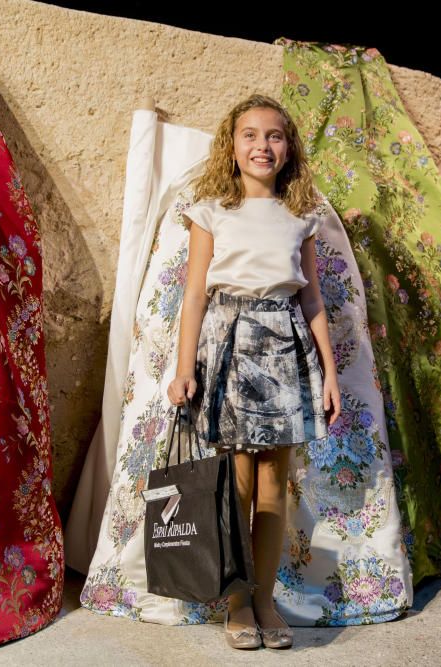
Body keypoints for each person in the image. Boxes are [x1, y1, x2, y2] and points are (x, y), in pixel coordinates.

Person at [167, 94, 342, 650]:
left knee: (275, 482)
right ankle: (238, 601)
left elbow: (313, 301)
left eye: (273, 135)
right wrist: (183, 368)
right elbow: (194, 295)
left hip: (287, 348)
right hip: (230, 347)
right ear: (232, 145)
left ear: (287, 149)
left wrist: (330, 375)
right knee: (238, 480)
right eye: (250, 134)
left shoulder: (302, 216)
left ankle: (265, 596)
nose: (261, 145)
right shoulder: (211, 211)